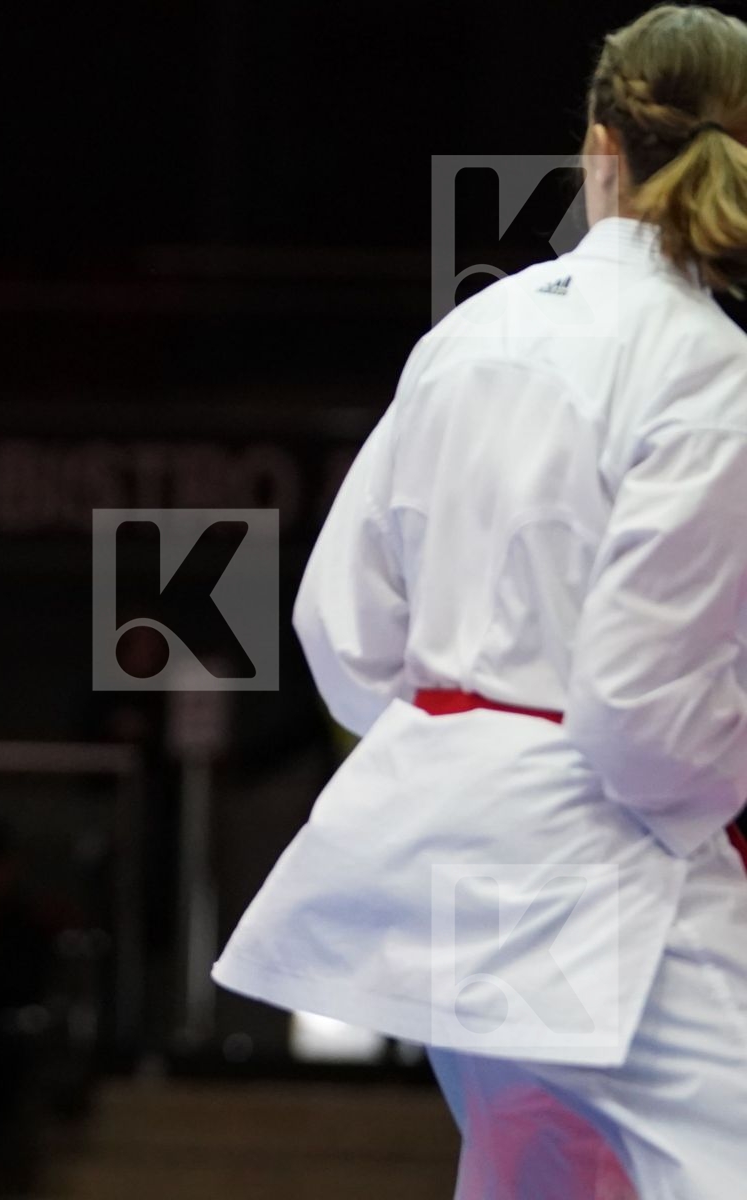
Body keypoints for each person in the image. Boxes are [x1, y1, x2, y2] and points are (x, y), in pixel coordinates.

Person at [212, 5, 746, 1197]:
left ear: (598, 143)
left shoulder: (471, 333)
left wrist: (461, 741)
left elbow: (337, 629)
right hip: (607, 847)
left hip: (449, 841)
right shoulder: (708, 369)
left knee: (538, 1180)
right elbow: (642, 710)